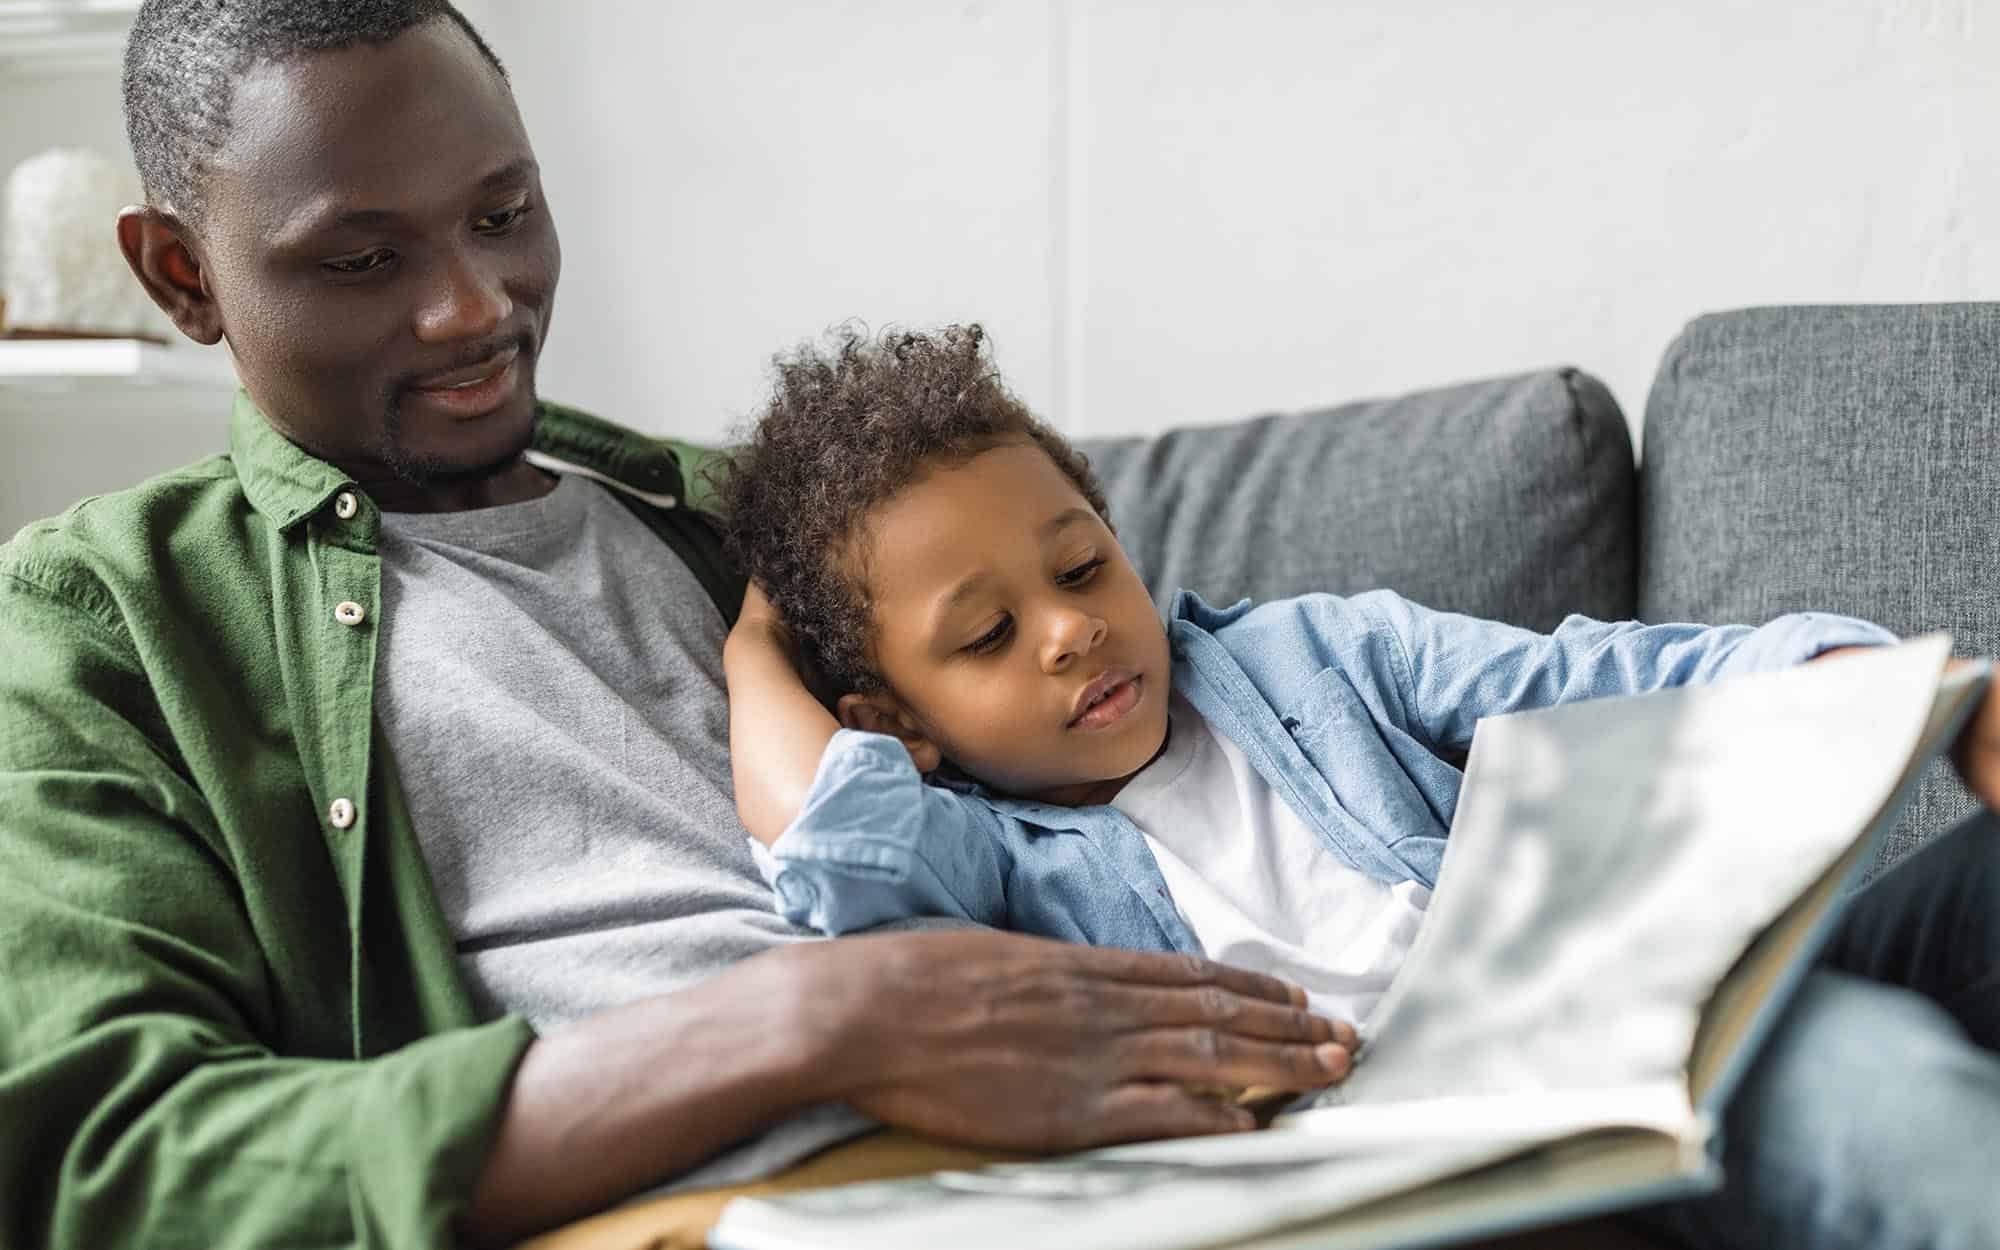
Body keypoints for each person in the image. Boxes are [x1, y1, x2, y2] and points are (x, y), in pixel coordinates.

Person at [0, 6, 1356, 1249]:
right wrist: (810, 1021)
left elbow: (1175, 720)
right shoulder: (104, 620)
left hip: (1140, 1163)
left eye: (504, 212)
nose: (473, 307)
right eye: (362, 258)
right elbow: (109, 1161)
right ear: (182, 274)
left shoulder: (755, 520)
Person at [715, 323, 2000, 1250]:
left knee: (1919, 976)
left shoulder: (1313, 655)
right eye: (986, 636)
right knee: (1858, 1085)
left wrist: (1882, 681)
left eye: (1080, 568)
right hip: (1417, 1166)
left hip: (1619, 1015)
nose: (1068, 630)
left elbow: (1594, 677)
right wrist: (752, 646)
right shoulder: (979, 856)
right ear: (895, 722)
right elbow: (839, 858)